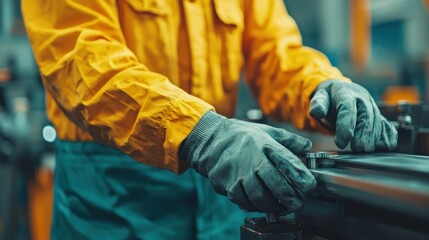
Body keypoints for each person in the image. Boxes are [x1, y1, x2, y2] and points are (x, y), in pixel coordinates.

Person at [22, 0, 398, 239]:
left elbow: (273, 50)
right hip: (112, 202)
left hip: (220, 192)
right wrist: (202, 134)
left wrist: (322, 85)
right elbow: (79, 59)